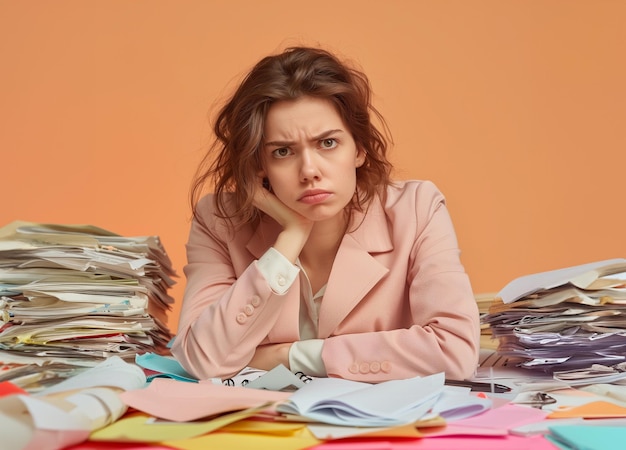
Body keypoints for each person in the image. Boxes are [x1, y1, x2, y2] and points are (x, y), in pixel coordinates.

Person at [171, 46, 480, 383]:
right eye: (283, 152)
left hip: (378, 427)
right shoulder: (219, 220)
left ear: (359, 148)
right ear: (260, 165)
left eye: (328, 143)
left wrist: (293, 356)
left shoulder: (417, 209)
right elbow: (201, 357)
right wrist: (291, 235)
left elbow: (456, 351)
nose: (309, 170)